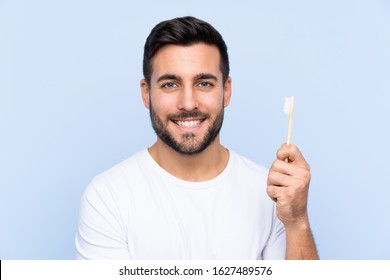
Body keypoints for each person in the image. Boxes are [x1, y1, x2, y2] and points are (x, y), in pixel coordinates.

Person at [75, 16, 319, 260]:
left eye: (204, 83)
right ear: (146, 94)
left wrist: (297, 222)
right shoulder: (108, 197)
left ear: (226, 91)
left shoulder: (271, 194)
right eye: (170, 84)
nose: (188, 103)